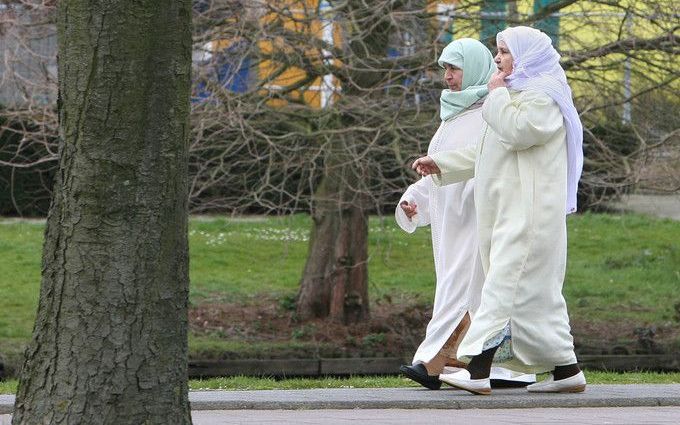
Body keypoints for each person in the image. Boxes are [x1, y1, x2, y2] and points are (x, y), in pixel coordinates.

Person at [411, 26, 586, 395]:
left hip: (529, 215)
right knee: (540, 300)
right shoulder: (517, 96)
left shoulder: (544, 99)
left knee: (498, 291)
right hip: (512, 213)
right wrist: (442, 164)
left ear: (525, 56)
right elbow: (489, 150)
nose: (497, 59)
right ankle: (567, 370)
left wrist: (495, 96)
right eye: (498, 52)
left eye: (504, 52)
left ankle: (475, 369)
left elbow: (519, 131)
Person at [397, 38, 535, 390]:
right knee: (466, 291)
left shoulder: (491, 110)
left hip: (478, 217)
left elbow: (482, 161)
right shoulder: (455, 113)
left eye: (454, 68)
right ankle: (486, 367)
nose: (447, 77)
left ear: (472, 68)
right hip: (451, 221)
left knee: (467, 291)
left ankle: (433, 361)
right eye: (445, 69)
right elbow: (439, 169)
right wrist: (414, 200)